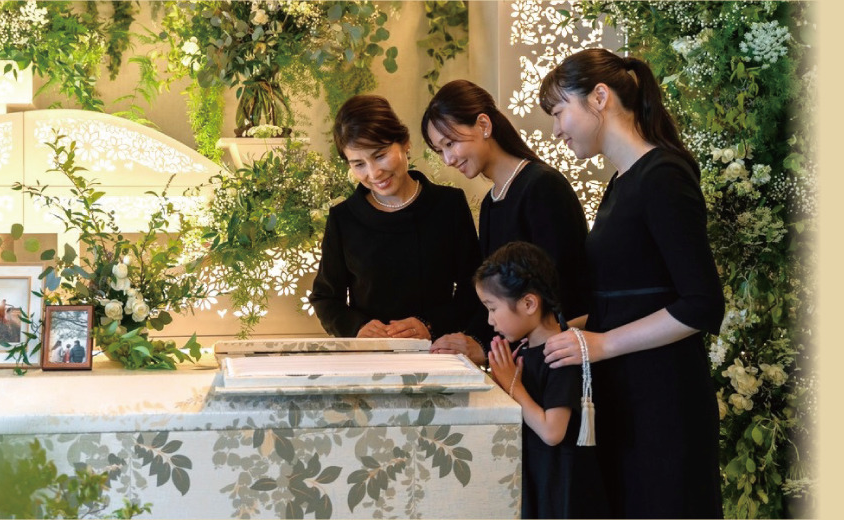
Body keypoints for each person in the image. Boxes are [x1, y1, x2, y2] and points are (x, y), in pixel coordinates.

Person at [536, 49, 727, 518]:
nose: (556, 129)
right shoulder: (622, 182)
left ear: (599, 97)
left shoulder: (663, 175)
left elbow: (702, 304)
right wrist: (558, 336)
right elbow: (624, 296)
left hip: (664, 399)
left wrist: (600, 345)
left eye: (559, 112)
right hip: (627, 396)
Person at [420, 79, 592, 367]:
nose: (448, 159)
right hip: (525, 358)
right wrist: (475, 341)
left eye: (450, 143)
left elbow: (563, 289)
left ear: (484, 125)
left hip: (558, 357)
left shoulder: (542, 186)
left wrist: (490, 349)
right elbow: (494, 295)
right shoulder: (491, 203)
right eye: (440, 151)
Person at [308, 95, 484, 341]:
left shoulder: (448, 205)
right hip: (372, 354)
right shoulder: (343, 219)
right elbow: (325, 298)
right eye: (359, 164)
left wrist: (430, 324)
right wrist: (357, 328)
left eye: (380, 155)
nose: (374, 173)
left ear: (404, 142)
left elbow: (474, 287)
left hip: (437, 350)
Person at [478, 242, 610, 519]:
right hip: (539, 474)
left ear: (528, 303)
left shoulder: (559, 353)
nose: (490, 320)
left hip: (560, 485)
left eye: (492, 308)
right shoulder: (526, 349)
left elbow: (552, 431)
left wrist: (512, 385)